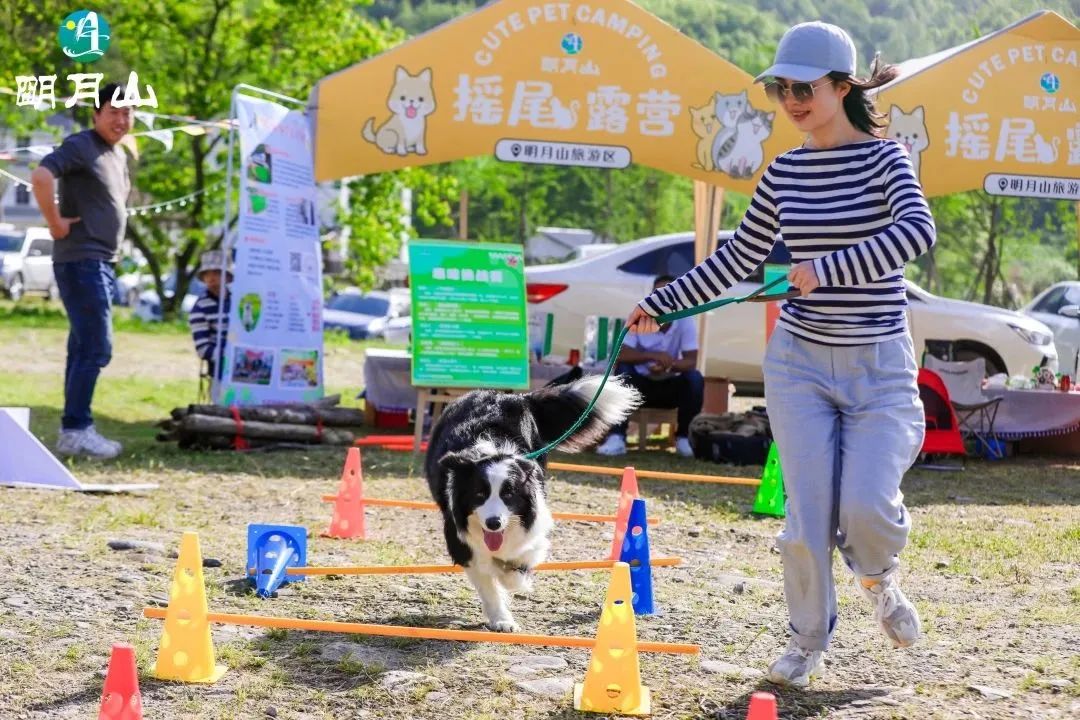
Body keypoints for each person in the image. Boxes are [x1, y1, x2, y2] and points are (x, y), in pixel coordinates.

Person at [625, 22, 934, 688]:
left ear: (842, 87)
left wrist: (829, 269)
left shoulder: (888, 159)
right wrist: (667, 302)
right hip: (798, 365)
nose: (790, 99)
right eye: (780, 88)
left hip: (878, 367)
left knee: (868, 511)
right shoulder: (785, 170)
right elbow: (738, 257)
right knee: (805, 519)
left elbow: (917, 231)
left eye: (803, 86)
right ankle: (807, 641)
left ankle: (878, 579)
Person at [31, 82, 132, 460]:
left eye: (127, 113)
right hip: (81, 260)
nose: (121, 120)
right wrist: (54, 222)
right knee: (96, 346)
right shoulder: (81, 145)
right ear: (96, 114)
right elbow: (41, 177)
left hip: (102, 262)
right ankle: (76, 429)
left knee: (82, 347)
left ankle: (73, 429)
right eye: (113, 112)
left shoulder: (116, 155)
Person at [596, 275, 703, 458]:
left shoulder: (686, 319)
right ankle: (617, 437)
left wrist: (668, 365)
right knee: (622, 371)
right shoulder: (639, 316)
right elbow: (620, 353)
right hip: (638, 387)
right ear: (651, 297)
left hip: (669, 385)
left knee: (694, 379)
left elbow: (691, 361)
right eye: (658, 294)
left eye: (669, 294)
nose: (663, 300)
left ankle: (684, 438)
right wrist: (652, 356)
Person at [188, 249, 232, 380]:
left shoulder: (239, 301)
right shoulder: (200, 307)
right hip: (219, 370)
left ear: (227, 276)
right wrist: (230, 355)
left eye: (217, 273)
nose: (211, 277)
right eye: (207, 273)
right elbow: (203, 349)